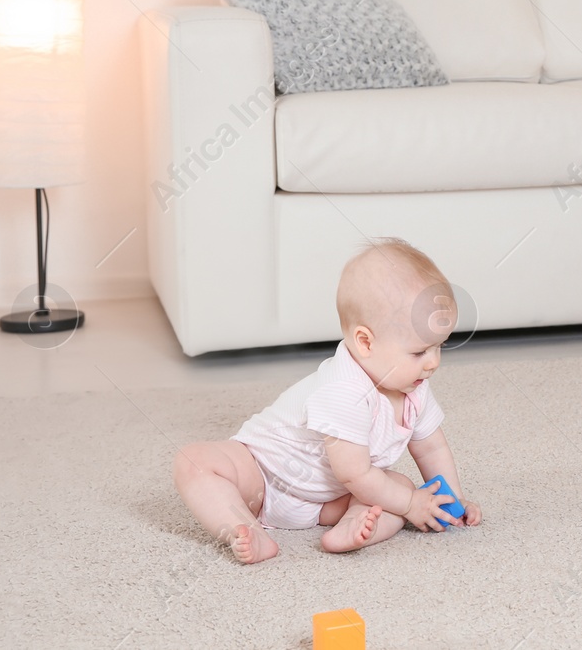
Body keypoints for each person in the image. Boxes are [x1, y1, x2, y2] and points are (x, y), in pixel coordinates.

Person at [173, 238, 482, 563]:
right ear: (365, 342)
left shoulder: (414, 387)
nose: (433, 362)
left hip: (326, 502)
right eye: (419, 351)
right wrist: (408, 504)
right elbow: (356, 474)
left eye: (439, 346)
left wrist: (453, 501)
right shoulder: (343, 390)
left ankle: (351, 528)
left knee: (399, 487)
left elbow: (432, 448)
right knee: (193, 461)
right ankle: (241, 525)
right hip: (261, 476)